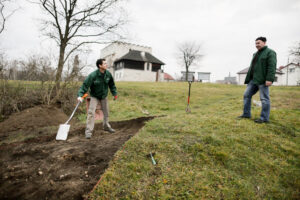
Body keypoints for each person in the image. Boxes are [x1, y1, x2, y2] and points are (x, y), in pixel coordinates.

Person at [238, 37, 277, 123]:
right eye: (256, 43)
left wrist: (269, 79)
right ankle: (246, 114)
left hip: (263, 80)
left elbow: (272, 67)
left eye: (258, 43)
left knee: (264, 99)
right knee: (246, 95)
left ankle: (264, 118)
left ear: (264, 43)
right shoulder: (255, 54)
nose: (257, 45)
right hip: (253, 80)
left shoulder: (270, 52)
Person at [77, 58, 117, 139]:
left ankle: (106, 127)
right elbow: (85, 86)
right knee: (91, 112)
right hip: (94, 96)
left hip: (104, 96)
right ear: (100, 65)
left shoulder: (108, 74)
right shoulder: (93, 75)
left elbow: (112, 85)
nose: (107, 65)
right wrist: (80, 95)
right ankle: (88, 131)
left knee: (106, 112)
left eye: (106, 63)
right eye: (105, 63)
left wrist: (114, 93)